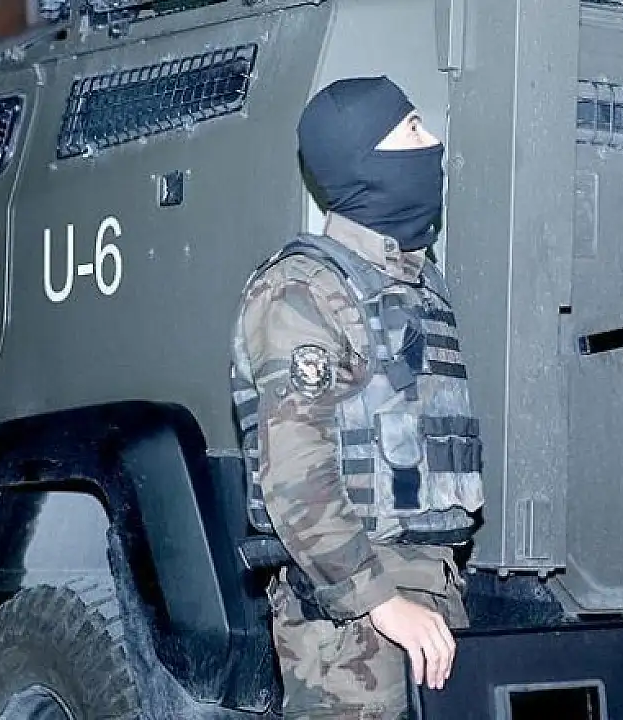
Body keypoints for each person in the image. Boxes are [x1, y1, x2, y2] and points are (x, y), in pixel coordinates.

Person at [229, 76, 486, 719]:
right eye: (411, 131)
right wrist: (379, 601)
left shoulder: (418, 285)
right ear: (364, 160)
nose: (433, 142)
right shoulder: (302, 290)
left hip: (425, 596)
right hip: (352, 621)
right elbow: (295, 477)